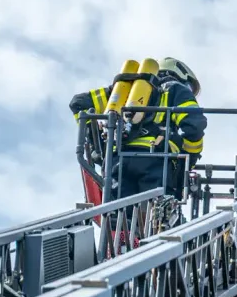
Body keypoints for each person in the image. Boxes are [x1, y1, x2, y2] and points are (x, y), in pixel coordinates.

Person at [70, 57, 206, 202]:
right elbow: (194, 124)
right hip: (156, 159)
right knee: (157, 215)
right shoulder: (175, 89)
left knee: (119, 215)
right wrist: (189, 160)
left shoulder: (125, 90)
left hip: (117, 160)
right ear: (181, 76)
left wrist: (97, 145)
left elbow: (78, 103)